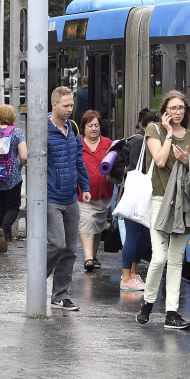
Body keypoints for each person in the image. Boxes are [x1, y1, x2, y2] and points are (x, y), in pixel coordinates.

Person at [136, 90, 190, 330]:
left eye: (181, 108)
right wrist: (169, 136)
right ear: (165, 110)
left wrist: (186, 161)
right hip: (159, 200)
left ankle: (172, 312)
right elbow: (161, 161)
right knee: (159, 257)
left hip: (183, 203)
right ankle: (148, 301)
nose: (178, 112)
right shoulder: (154, 131)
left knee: (176, 260)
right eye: (173, 108)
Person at [46, 86, 91, 311]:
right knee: (57, 243)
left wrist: (85, 186)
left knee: (70, 250)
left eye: (71, 105)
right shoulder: (42, 129)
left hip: (71, 197)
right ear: (54, 105)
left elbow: (78, 160)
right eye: (66, 105)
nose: (70, 109)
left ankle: (60, 295)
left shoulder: (72, 128)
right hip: (51, 197)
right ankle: (36, 280)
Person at [116, 108, 159, 292]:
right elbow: (135, 168)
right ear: (148, 125)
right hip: (137, 195)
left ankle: (132, 273)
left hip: (146, 196)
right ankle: (126, 277)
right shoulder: (140, 141)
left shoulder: (150, 140)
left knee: (145, 237)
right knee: (134, 236)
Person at [0, 104, 27, 252]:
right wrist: (18, 167)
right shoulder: (17, 132)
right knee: (13, 207)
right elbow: (24, 156)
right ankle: (4, 229)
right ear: (12, 117)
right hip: (11, 176)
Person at [78, 110, 114, 272]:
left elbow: (117, 166)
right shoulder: (77, 144)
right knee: (86, 222)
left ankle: (92, 255)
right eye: (90, 125)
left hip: (104, 193)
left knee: (98, 225)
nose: (93, 128)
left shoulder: (108, 144)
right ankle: (87, 258)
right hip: (83, 193)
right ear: (83, 128)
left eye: (96, 125)